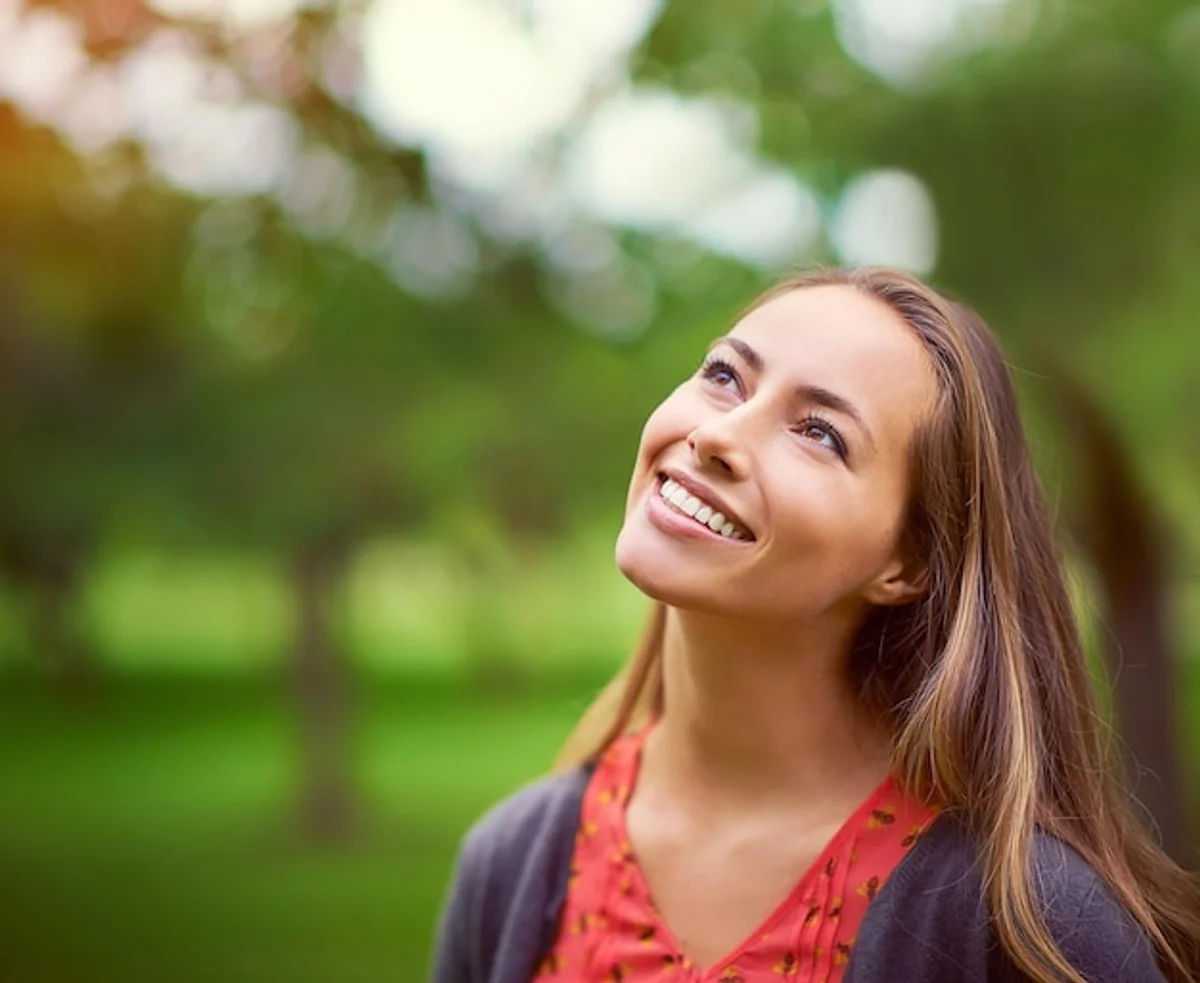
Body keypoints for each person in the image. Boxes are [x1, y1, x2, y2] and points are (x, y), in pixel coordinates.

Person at [431, 267, 1200, 983]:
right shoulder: (512, 865)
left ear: (905, 560)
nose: (718, 436)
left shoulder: (1031, 926)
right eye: (724, 376)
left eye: (819, 432)